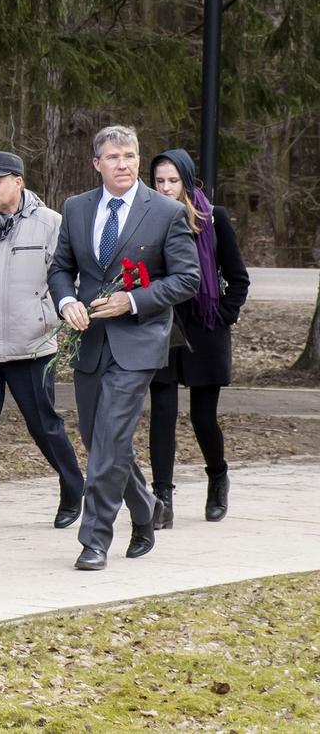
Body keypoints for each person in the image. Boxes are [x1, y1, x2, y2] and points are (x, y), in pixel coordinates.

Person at [48, 125, 199, 571]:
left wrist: (132, 300)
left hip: (139, 343)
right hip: (90, 342)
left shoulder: (165, 211)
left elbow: (187, 279)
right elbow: (60, 268)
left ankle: (94, 539)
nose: (124, 164)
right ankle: (146, 507)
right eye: (113, 157)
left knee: (111, 439)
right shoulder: (76, 208)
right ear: (97, 163)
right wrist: (67, 301)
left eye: (130, 155)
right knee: (100, 442)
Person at [0, 151, 85, 533]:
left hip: (32, 348)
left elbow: (65, 278)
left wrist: (52, 314)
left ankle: (73, 487)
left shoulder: (52, 225)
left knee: (44, 427)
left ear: (18, 182)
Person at [146, 148, 249, 525]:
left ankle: (218, 476)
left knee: (203, 417)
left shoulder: (213, 218)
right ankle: (162, 499)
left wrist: (223, 314)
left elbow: (238, 278)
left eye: (173, 180)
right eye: (159, 181)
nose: (167, 188)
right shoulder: (146, 218)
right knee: (162, 413)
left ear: (187, 181)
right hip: (163, 324)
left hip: (206, 326)